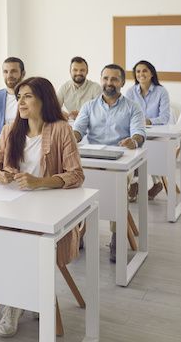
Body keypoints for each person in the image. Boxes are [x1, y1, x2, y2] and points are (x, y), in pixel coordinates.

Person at [0, 77, 84, 338]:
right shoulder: (9, 131)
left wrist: (40, 182)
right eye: (19, 97)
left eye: (27, 96)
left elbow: (76, 175)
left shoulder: (61, 129)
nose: (21, 102)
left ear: (44, 100)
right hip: (12, 207)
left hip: (48, 213)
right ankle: (28, 295)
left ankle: (16, 303)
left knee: (22, 242)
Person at [73, 64, 146, 262]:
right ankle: (76, 231)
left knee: (116, 191)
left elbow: (140, 132)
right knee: (73, 186)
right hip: (93, 160)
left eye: (114, 79)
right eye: (105, 78)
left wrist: (134, 140)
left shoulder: (132, 107)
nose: (109, 83)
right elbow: (78, 129)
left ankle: (116, 236)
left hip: (121, 163)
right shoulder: (89, 106)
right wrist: (72, 136)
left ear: (122, 82)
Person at [125, 60, 171, 200]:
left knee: (143, 147)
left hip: (157, 135)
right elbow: (125, 114)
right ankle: (152, 182)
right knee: (133, 145)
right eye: (138, 71)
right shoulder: (131, 92)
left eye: (144, 70)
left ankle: (135, 183)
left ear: (151, 73)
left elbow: (164, 117)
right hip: (137, 132)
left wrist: (148, 121)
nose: (141, 74)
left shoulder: (161, 91)